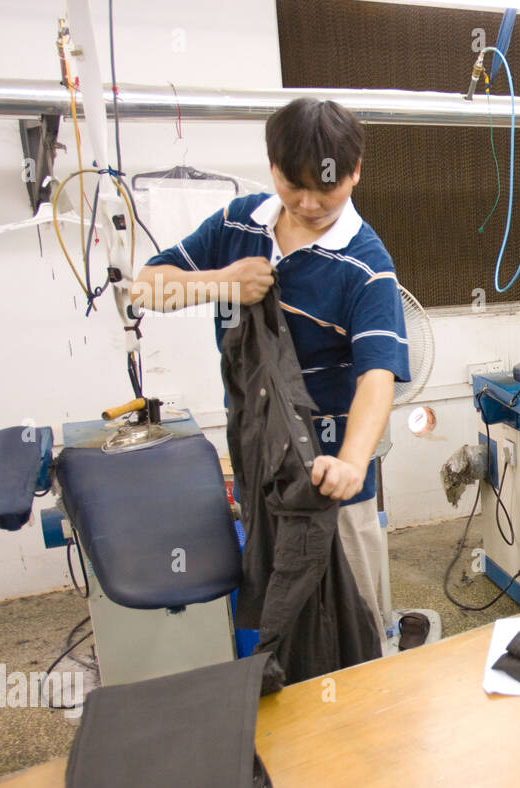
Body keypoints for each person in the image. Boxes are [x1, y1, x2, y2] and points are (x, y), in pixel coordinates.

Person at [130, 97, 409, 640]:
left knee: (353, 616)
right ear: (272, 168)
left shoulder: (365, 267)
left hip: (333, 471)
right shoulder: (238, 223)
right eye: (291, 184)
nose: (306, 204)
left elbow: (377, 377)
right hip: (258, 452)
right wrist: (219, 282)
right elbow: (145, 287)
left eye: (324, 188)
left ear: (354, 172)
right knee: (275, 594)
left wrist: (352, 462)